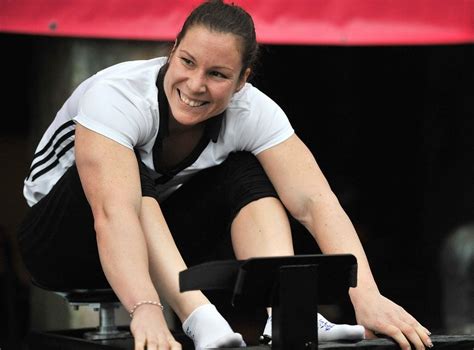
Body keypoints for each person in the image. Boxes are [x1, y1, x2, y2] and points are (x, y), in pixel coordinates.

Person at [18, 1, 433, 349]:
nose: (196, 85)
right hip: (61, 246)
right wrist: (146, 310)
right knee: (131, 176)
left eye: (217, 75)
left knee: (246, 170)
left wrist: (367, 296)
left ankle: (287, 311)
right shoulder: (117, 96)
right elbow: (114, 214)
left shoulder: (253, 110)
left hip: (153, 245)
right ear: (172, 49)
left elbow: (315, 202)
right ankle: (201, 318)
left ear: (241, 81)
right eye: (187, 62)